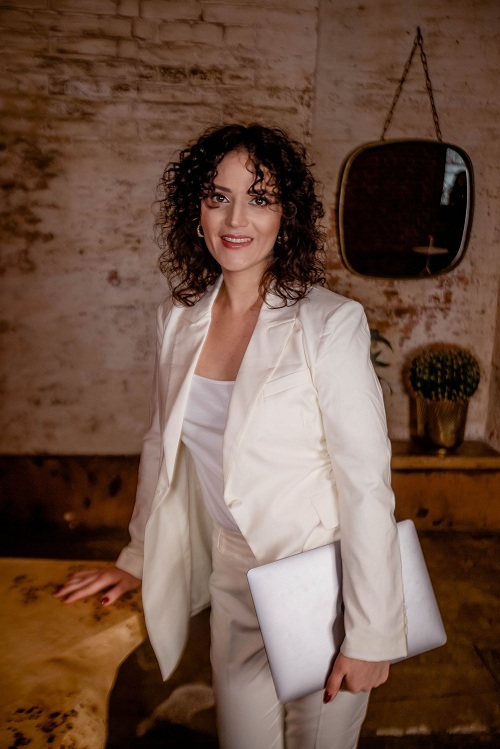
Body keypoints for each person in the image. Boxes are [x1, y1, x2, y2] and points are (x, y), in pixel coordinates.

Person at [55, 124, 407, 749]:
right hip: (233, 572)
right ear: (197, 212)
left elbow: (365, 483)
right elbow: (161, 446)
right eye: (218, 197)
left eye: (259, 198)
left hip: (320, 581)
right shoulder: (177, 319)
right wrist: (136, 559)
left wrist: (372, 632)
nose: (236, 219)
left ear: (285, 216)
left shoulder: (330, 323)